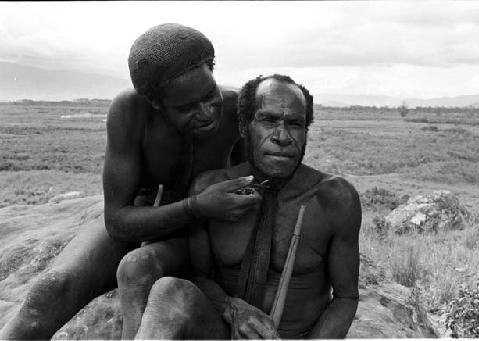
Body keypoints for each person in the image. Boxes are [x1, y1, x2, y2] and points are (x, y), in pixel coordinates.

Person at [0, 23, 261, 340]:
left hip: (204, 233)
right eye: (187, 107)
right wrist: (195, 206)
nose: (207, 112)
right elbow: (117, 220)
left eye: (210, 95)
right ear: (154, 102)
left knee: (140, 269)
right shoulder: (131, 113)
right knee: (51, 290)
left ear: (213, 70)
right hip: (145, 218)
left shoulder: (237, 111)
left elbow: (255, 187)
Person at [134, 74, 362, 339]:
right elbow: (200, 276)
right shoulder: (210, 190)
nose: (282, 136)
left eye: (295, 124)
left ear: (305, 132)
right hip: (224, 331)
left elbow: (346, 297)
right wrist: (231, 308)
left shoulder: (334, 198)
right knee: (168, 291)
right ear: (244, 126)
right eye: (268, 120)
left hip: (295, 337)